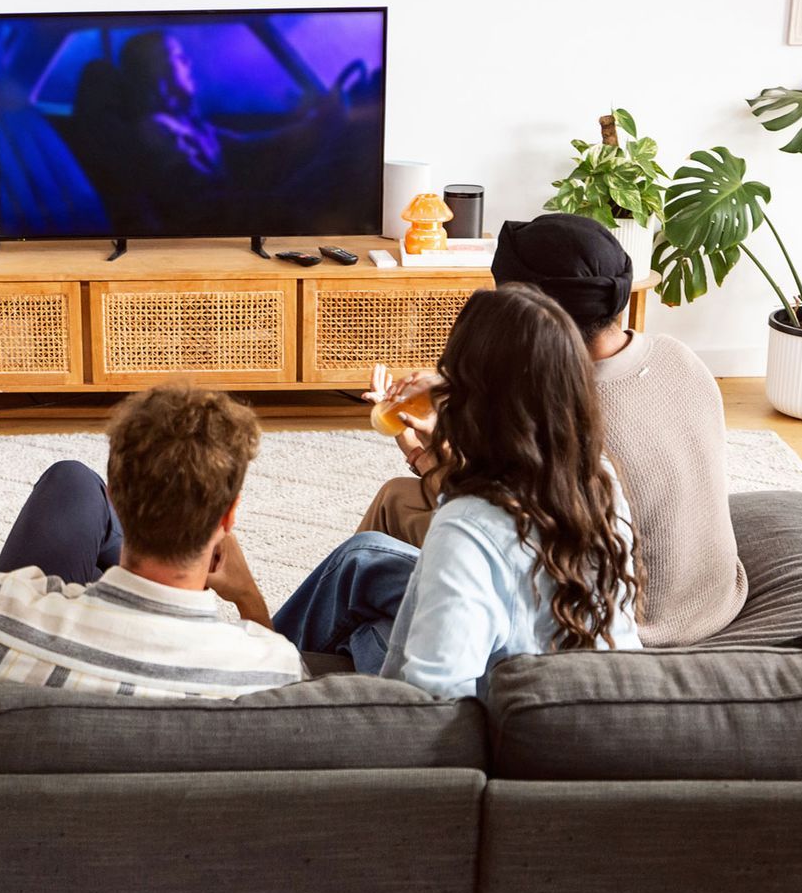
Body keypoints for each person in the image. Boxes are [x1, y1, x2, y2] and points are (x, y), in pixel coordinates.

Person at [359, 212, 747, 646]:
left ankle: (360, 646)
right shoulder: (680, 357)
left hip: (624, 624)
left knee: (392, 509)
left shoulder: (555, 415)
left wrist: (418, 450)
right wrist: (453, 387)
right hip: (713, 598)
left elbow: (493, 520)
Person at [274, 285, 642, 699]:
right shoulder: (595, 479)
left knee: (366, 625)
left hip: (496, 716)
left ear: (473, 396)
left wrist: (248, 598)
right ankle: (267, 652)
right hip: (583, 689)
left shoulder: (466, 529)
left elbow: (439, 706)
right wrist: (423, 446)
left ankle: (259, 673)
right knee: (364, 558)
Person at [0, 384, 305, 737]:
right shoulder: (268, 669)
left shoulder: (8, 619)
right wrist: (248, 597)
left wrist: (66, 601)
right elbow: (303, 694)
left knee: (72, 481)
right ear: (229, 516)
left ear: (114, 496)